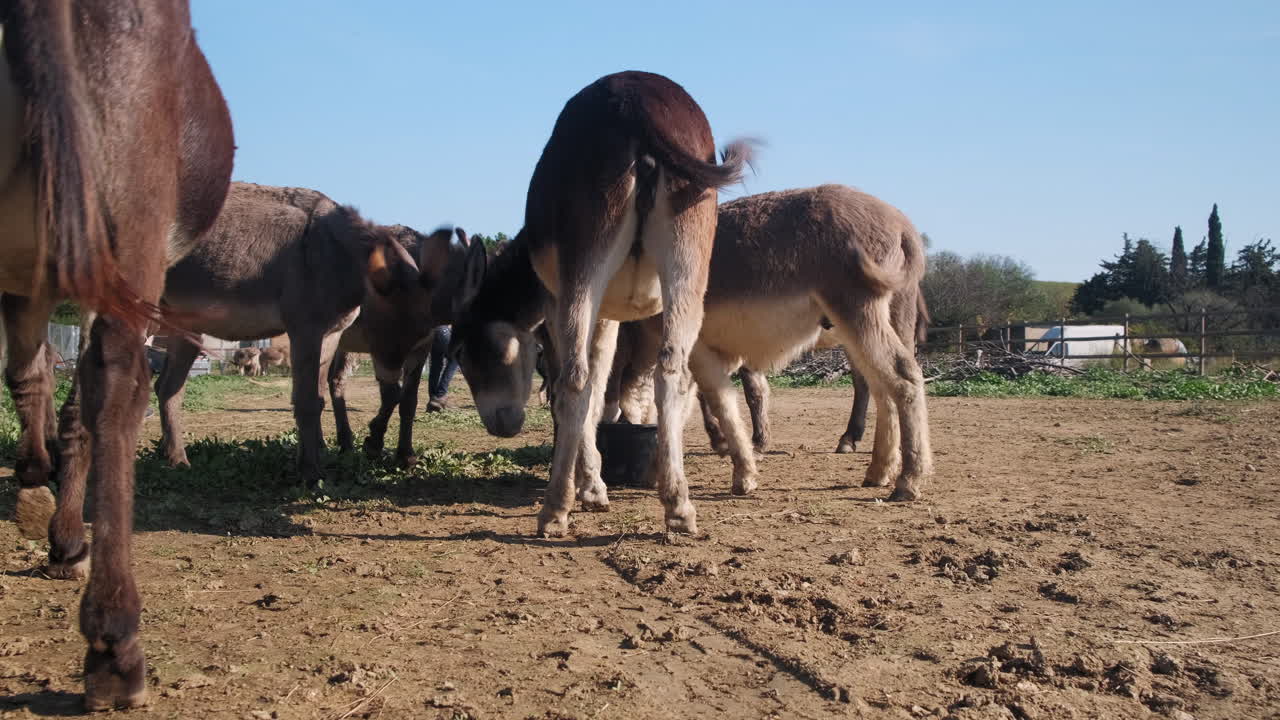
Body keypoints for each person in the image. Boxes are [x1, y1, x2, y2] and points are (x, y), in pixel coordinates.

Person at [426, 325, 459, 412]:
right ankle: (440, 395)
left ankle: (433, 399)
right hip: (444, 330)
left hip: (433, 331)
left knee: (436, 365)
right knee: (455, 359)